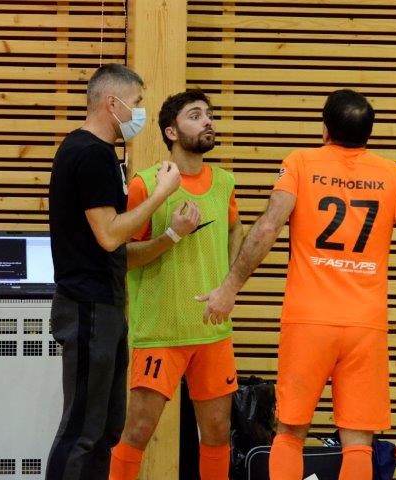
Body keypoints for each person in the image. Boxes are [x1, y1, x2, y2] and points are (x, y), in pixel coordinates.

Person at [198, 89, 396, 480]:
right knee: (358, 441)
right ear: (369, 133)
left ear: (324, 129)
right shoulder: (392, 174)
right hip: (364, 325)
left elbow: (267, 228)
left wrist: (229, 289)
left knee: (290, 433)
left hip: (308, 321)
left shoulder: (300, 163)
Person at [46, 63, 181, 480]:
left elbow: (113, 244)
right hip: (87, 306)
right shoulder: (89, 153)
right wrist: (160, 195)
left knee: (106, 428)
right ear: (112, 103)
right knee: (81, 430)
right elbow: (108, 235)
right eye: (136, 103)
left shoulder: (101, 154)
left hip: (105, 303)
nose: (139, 112)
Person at [108, 89, 244, 480]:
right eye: (195, 115)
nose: (208, 121)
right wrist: (172, 235)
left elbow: (236, 229)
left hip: (211, 330)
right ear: (171, 131)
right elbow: (124, 255)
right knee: (137, 432)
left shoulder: (225, 182)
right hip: (160, 333)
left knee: (217, 433)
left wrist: (229, 284)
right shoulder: (146, 183)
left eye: (209, 115)